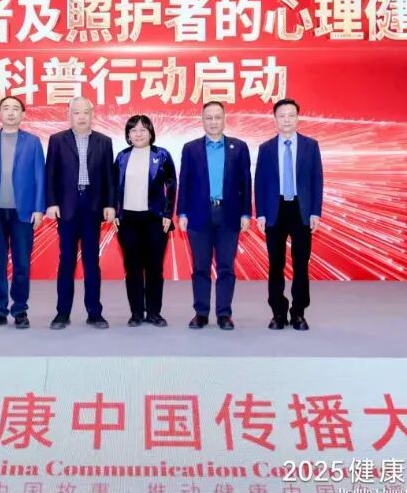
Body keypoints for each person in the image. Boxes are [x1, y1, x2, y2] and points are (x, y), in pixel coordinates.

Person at [0, 96, 45, 329]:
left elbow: (40, 177)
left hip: (23, 212)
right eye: (6, 108)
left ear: (23, 114)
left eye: (15, 109)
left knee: (22, 264)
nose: (11, 112)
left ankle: (20, 310)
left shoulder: (33, 142)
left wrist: (39, 208)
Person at [177, 101, 252, 330]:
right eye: (208, 118)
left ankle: (224, 314)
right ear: (202, 120)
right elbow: (184, 182)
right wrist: (182, 212)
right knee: (200, 266)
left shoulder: (239, 147)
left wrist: (246, 213)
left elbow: (246, 182)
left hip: (229, 214)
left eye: (217, 117)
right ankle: (201, 313)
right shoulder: (191, 148)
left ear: (224, 119)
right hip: (199, 214)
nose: (213, 122)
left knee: (226, 267)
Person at [45, 97, 116, 329]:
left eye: (86, 112)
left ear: (92, 114)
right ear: (69, 115)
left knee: (91, 262)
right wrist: (51, 203)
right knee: (66, 261)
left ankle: (94, 313)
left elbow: (109, 176)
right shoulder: (57, 140)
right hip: (66, 207)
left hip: (93, 207)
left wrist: (110, 204)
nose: (82, 116)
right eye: (76, 112)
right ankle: (62, 313)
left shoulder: (104, 141)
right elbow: (50, 174)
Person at [254, 98, 324, 331]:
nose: (286, 120)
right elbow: (260, 183)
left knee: (301, 263)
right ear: (275, 119)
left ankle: (299, 313)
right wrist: (260, 213)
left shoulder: (310, 146)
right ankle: (278, 312)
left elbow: (317, 180)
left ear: (297, 118)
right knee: (276, 263)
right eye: (282, 116)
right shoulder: (265, 148)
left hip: (301, 210)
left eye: (291, 115)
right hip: (275, 210)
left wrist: (315, 212)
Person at [113, 115, 177, 327]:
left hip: (155, 219)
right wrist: (115, 213)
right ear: (128, 135)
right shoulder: (122, 157)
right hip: (128, 220)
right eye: (133, 130)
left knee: (154, 268)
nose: (138, 134)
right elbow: (113, 187)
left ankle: (154, 312)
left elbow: (172, 185)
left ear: (150, 133)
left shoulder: (162, 155)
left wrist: (168, 214)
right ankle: (136, 313)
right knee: (132, 267)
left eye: (143, 129)